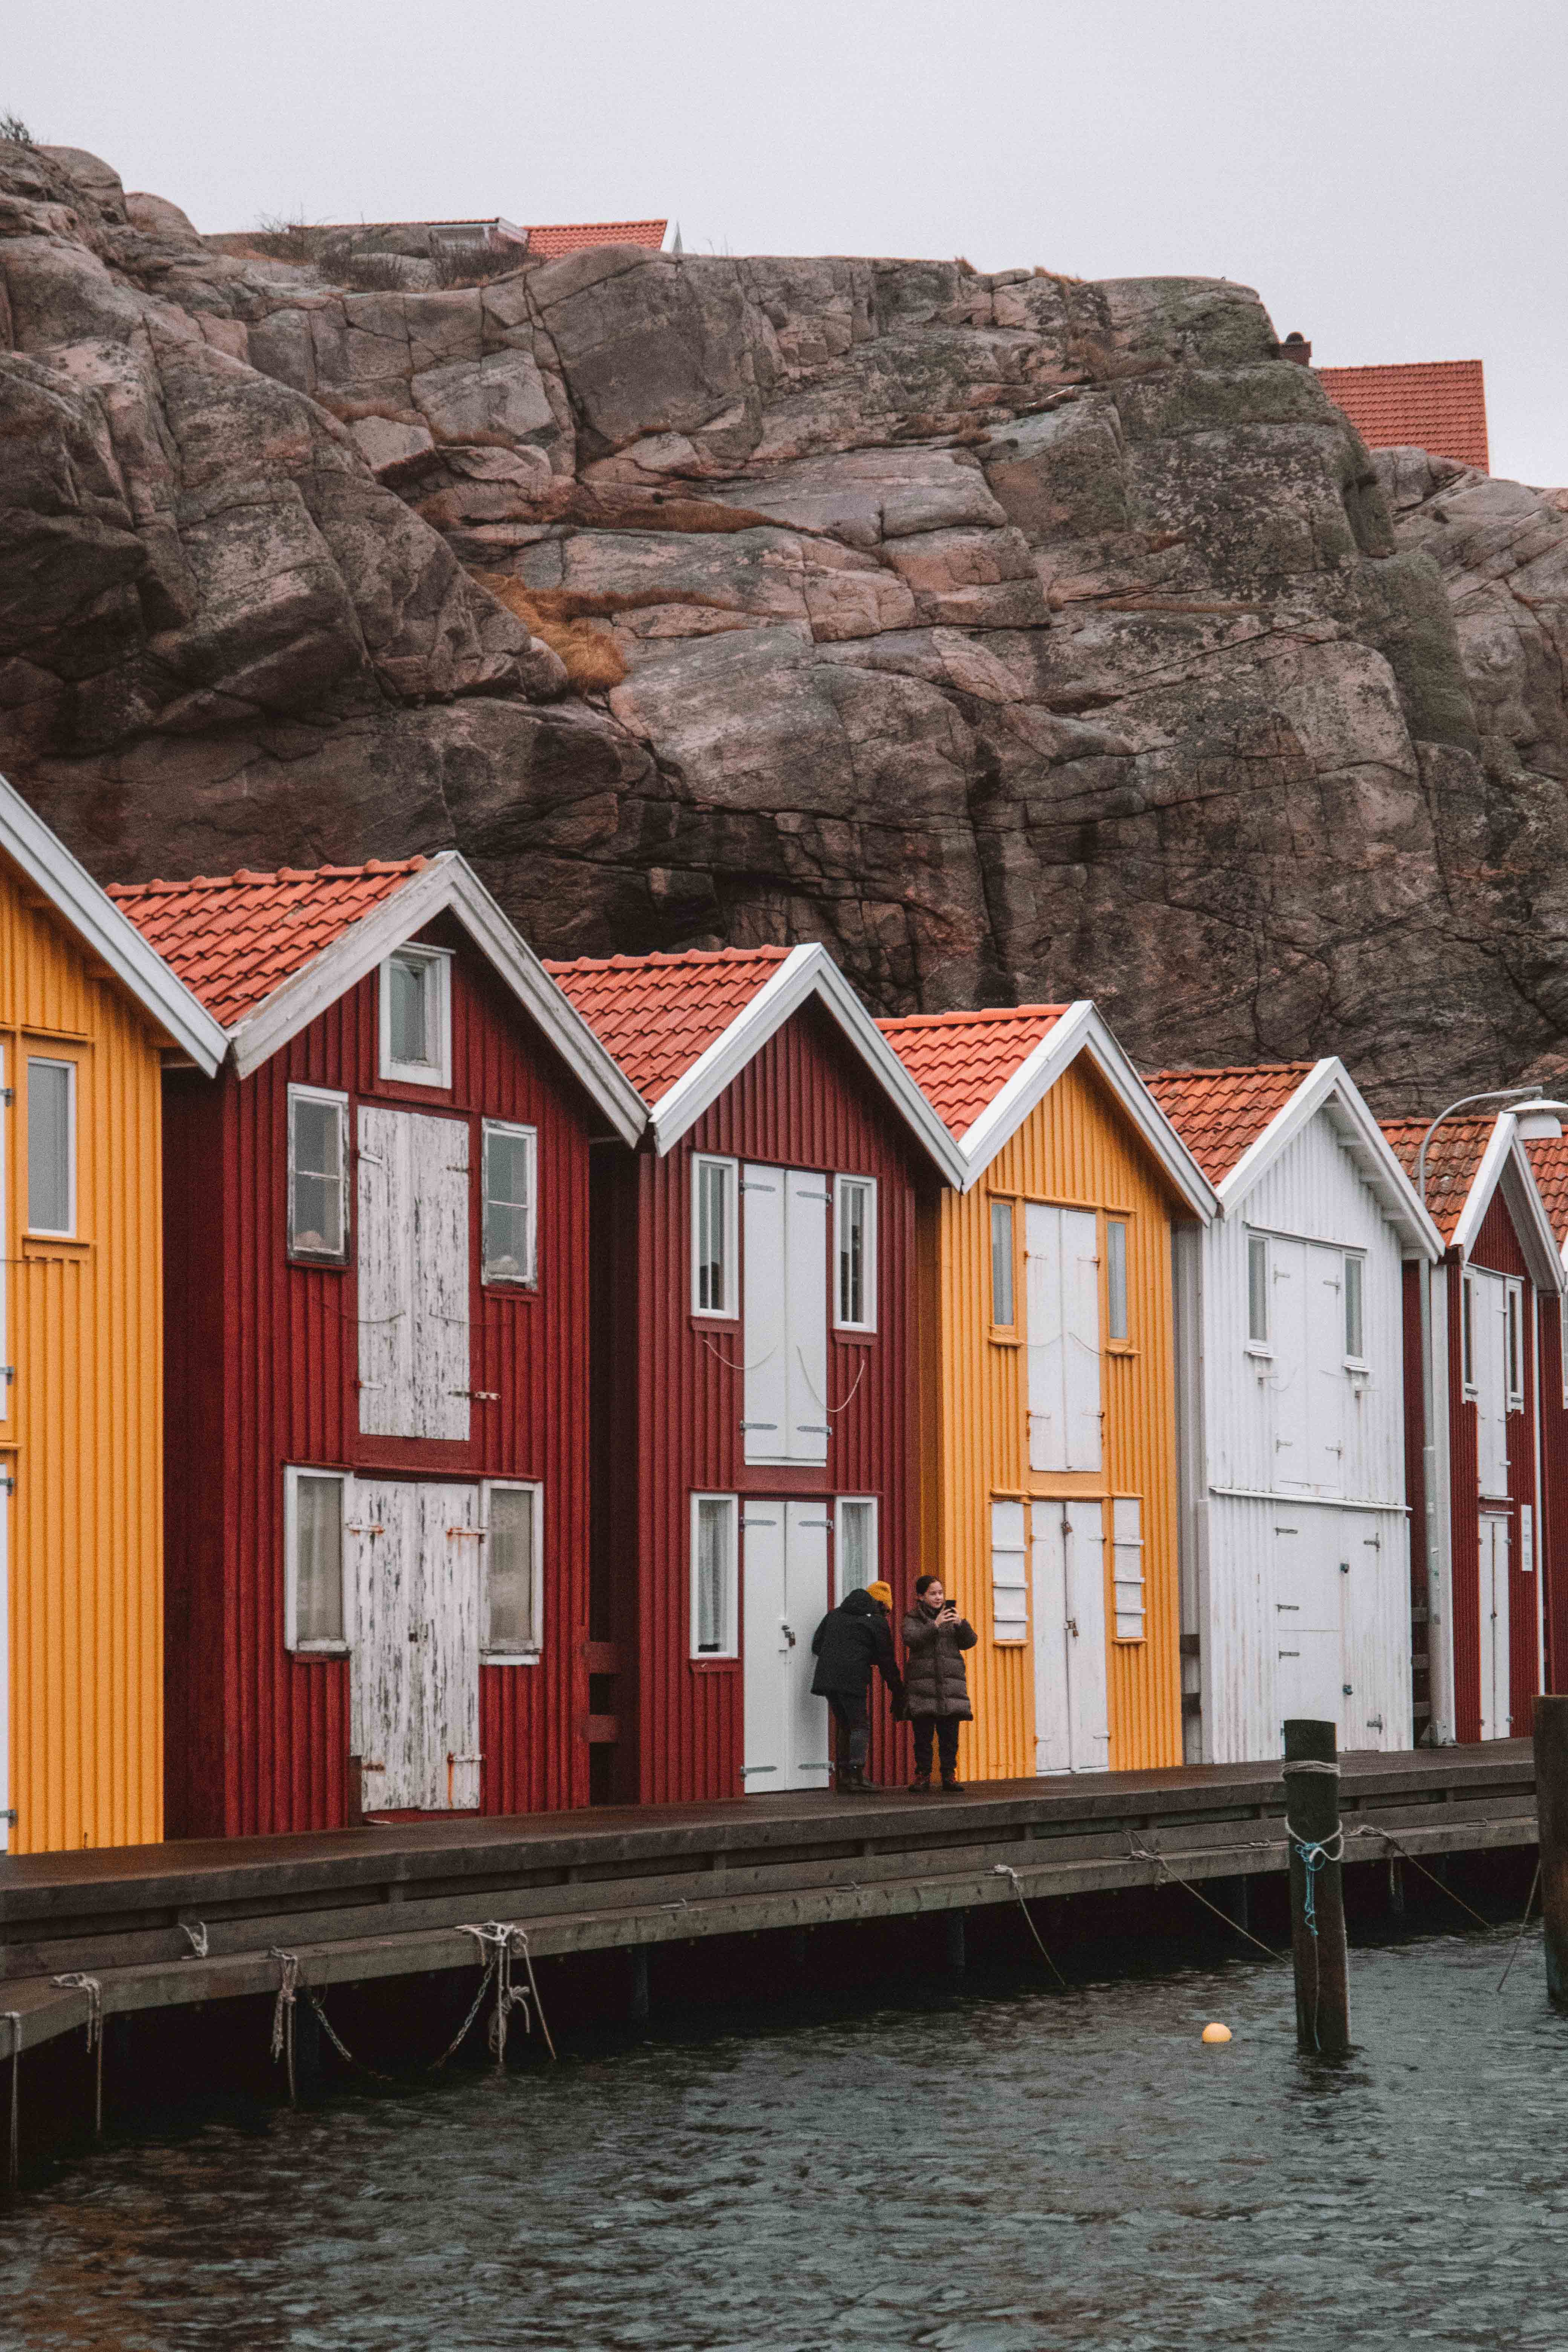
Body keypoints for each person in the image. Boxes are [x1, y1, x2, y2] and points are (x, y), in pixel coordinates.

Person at [810, 1580, 905, 1794]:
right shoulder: (876, 1623)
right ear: (881, 1605)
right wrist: (898, 1691)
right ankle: (857, 1776)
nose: (886, 1615)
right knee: (860, 1725)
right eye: (887, 1610)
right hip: (851, 1678)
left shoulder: (834, 1615)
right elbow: (886, 1660)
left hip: (827, 1678)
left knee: (844, 1724)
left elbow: (817, 1645)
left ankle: (844, 1777)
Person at [902, 1575, 976, 1792]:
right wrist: (935, 1625)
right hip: (923, 1688)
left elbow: (970, 1642)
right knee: (923, 1736)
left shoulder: (952, 1619)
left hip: (950, 1687)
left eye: (941, 1593)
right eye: (933, 1594)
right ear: (921, 1596)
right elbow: (910, 1639)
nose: (938, 1597)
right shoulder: (913, 1618)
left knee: (949, 1736)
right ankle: (923, 1776)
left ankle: (949, 1776)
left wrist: (961, 1624)